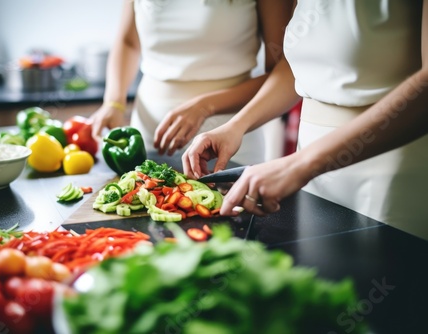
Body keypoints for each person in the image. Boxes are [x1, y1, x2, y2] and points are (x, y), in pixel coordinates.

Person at [182, 0, 428, 240]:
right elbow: (296, 69)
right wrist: (235, 127)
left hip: (388, 163)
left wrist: (300, 164)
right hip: (310, 160)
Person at [88, 0, 293, 165]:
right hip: (147, 132)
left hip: (228, 139)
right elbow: (129, 42)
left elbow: (283, 71)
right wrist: (113, 102)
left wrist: (205, 106)